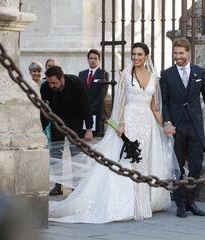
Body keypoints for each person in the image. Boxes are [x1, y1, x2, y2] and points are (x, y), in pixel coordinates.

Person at [48, 42, 177, 223]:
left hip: (147, 124)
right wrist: (120, 124)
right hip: (129, 122)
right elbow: (121, 102)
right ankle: (132, 205)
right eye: (133, 54)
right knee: (130, 160)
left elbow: (154, 107)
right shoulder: (126, 74)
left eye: (139, 54)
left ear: (146, 56)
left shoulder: (154, 77)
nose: (136, 57)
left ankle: (142, 202)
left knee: (144, 160)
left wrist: (165, 125)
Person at [160, 37, 205, 218]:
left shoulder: (200, 72)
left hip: (195, 125)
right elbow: (165, 102)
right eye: (175, 53)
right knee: (178, 167)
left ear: (188, 53)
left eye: (180, 53)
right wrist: (167, 123)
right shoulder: (167, 74)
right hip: (176, 126)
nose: (177, 56)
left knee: (195, 165)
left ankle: (191, 201)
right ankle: (180, 204)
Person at [40, 66, 94, 196]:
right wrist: (43, 130)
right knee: (55, 154)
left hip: (75, 120)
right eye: (49, 82)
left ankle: (76, 186)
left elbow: (86, 105)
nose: (52, 85)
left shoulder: (76, 82)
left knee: (76, 153)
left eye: (54, 82)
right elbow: (44, 110)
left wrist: (89, 129)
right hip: (57, 121)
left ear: (62, 78)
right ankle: (58, 185)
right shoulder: (45, 87)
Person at [78, 49, 108, 137]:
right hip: (83, 113)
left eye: (95, 58)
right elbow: (79, 93)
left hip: (96, 113)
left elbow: (102, 94)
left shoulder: (103, 74)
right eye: (91, 58)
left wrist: (90, 109)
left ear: (99, 60)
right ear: (88, 59)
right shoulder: (81, 74)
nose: (93, 60)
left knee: (95, 139)